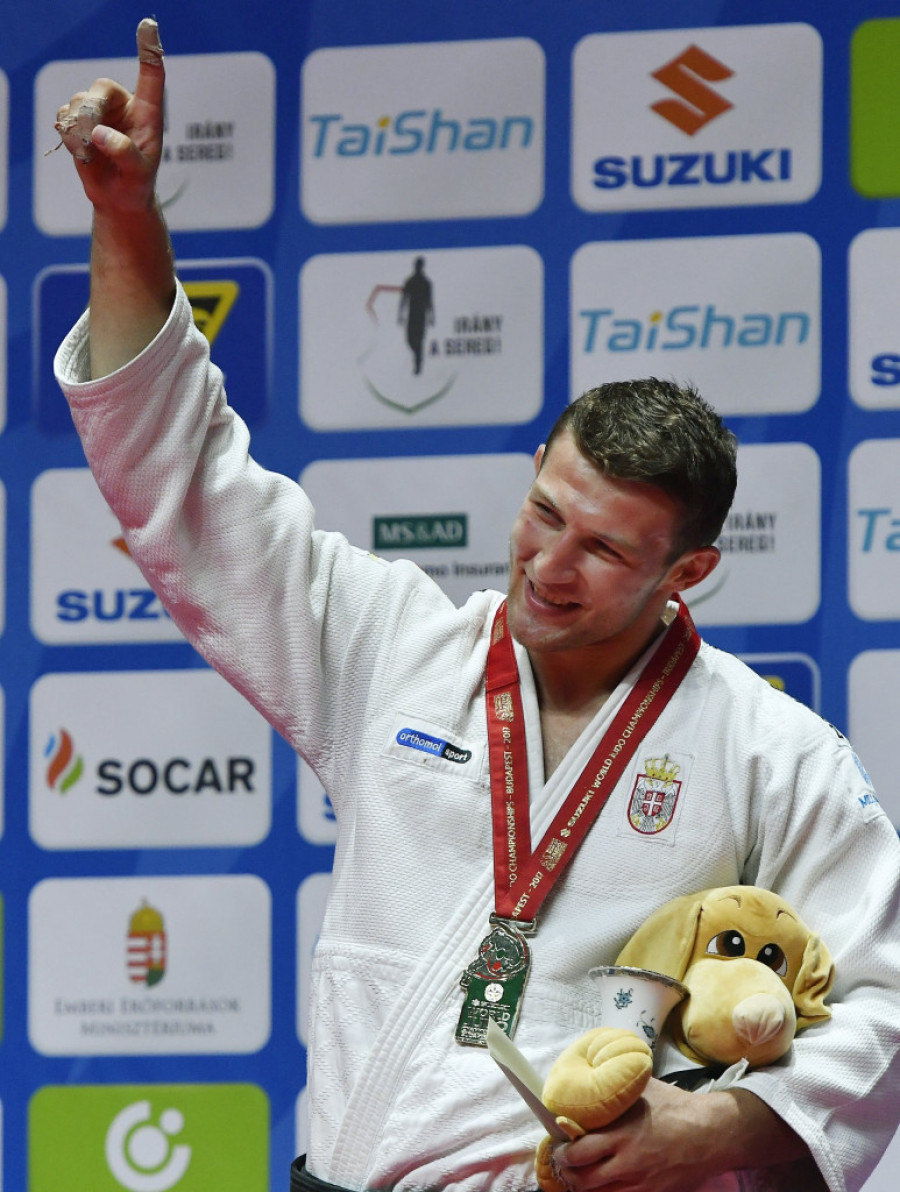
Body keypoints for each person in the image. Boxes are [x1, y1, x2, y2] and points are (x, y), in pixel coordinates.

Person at [52, 21, 900, 1192]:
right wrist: (127, 217)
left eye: (605, 549)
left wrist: (721, 1127)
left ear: (689, 572)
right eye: (545, 511)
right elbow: (184, 478)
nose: (550, 565)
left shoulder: (772, 750)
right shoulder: (392, 645)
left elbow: (882, 998)